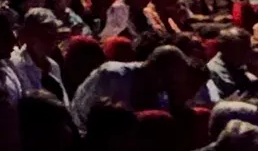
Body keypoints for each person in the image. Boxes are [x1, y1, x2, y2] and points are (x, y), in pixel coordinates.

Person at [70, 43, 199, 124]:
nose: (170, 86)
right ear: (155, 70)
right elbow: (83, 112)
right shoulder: (113, 76)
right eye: (170, 80)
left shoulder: (162, 95)